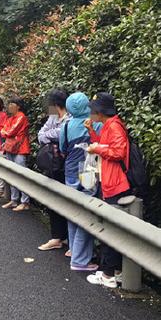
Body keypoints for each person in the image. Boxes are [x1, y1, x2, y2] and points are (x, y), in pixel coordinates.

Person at [84, 92, 130, 287]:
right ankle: (116, 272)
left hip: (115, 183)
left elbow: (118, 152)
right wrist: (92, 132)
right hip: (110, 181)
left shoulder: (115, 126)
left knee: (109, 230)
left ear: (100, 111)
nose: (91, 113)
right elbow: (103, 144)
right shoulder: (108, 125)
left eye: (93, 110)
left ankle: (108, 275)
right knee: (112, 229)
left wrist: (96, 149)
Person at [60, 92, 100, 271]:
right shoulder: (94, 124)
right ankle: (80, 260)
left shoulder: (66, 125)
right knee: (86, 211)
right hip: (88, 170)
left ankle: (72, 249)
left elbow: (62, 148)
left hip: (70, 169)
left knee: (73, 209)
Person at [36, 89, 70, 251]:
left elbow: (63, 135)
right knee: (53, 200)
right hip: (52, 165)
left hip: (66, 167)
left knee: (67, 202)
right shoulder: (53, 116)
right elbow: (40, 134)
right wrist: (52, 135)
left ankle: (65, 238)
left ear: (56, 104)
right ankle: (57, 236)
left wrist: (51, 135)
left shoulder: (71, 118)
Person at [0, 97, 32, 211]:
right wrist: (6, 132)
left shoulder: (21, 116)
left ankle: (25, 201)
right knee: (12, 174)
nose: (9, 106)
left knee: (21, 175)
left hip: (20, 148)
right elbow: (3, 131)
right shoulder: (10, 118)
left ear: (18, 106)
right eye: (9, 104)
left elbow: (9, 131)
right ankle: (14, 200)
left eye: (12, 103)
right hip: (10, 148)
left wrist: (7, 132)